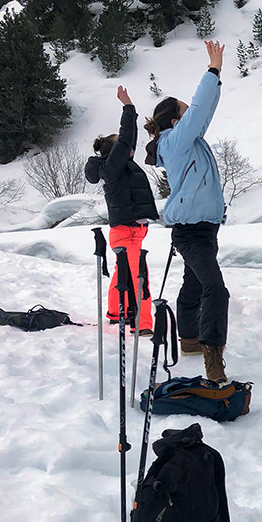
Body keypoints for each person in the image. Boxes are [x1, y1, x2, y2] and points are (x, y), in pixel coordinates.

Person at [143, 40, 230, 384]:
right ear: (176, 120)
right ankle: (212, 354)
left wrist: (216, 80)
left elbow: (203, 112)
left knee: (194, 284)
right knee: (215, 289)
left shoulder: (187, 139)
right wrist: (213, 70)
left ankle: (190, 338)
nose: (191, 116)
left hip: (205, 227)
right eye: (184, 111)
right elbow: (199, 109)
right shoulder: (175, 141)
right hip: (191, 229)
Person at [85, 86, 159, 335]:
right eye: (122, 146)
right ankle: (144, 323)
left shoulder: (120, 166)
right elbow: (127, 137)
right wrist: (129, 108)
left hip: (130, 229)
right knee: (140, 276)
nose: (131, 148)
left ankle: (119, 313)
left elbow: (129, 140)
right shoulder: (113, 167)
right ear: (113, 152)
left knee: (124, 271)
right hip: (126, 231)